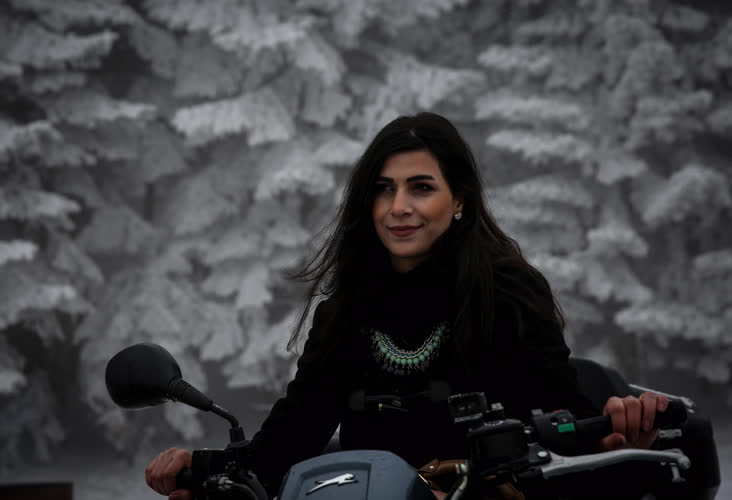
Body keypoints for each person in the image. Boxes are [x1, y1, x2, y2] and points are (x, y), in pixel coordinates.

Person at [145, 113, 669, 499]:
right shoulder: (346, 311)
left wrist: (616, 433)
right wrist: (206, 469)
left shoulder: (508, 295)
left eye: (421, 188)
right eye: (384, 190)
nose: (399, 207)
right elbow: (295, 431)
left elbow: (562, 418)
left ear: (459, 199)